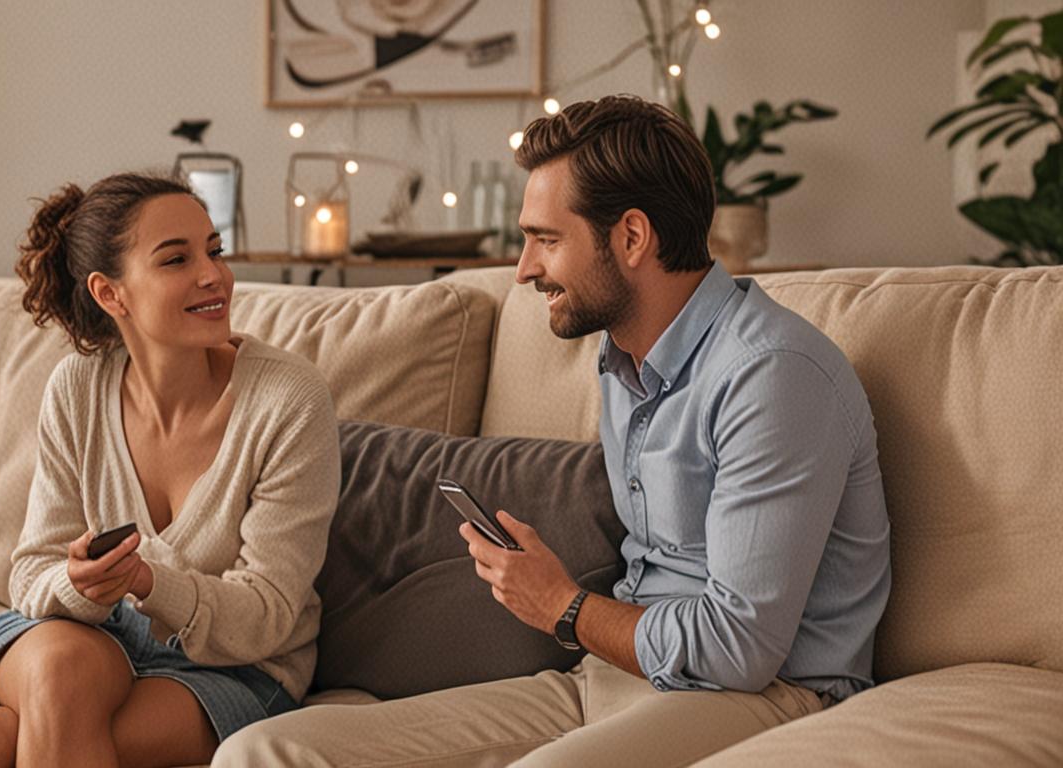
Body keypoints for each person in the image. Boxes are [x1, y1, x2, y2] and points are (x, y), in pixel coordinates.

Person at [213, 95, 891, 767]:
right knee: (267, 749)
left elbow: (738, 649)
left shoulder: (771, 376)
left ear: (631, 237)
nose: (524, 270)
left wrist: (563, 606)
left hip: (765, 695)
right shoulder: (621, 357)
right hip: (611, 678)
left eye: (546, 239)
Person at [0, 172, 340, 768]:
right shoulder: (76, 389)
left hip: (229, 666)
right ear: (110, 293)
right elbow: (32, 573)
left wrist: (149, 581)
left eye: (214, 251)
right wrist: (79, 583)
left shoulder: (288, 400)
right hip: (87, 639)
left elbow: (269, 615)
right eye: (177, 259)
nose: (214, 275)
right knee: (57, 674)